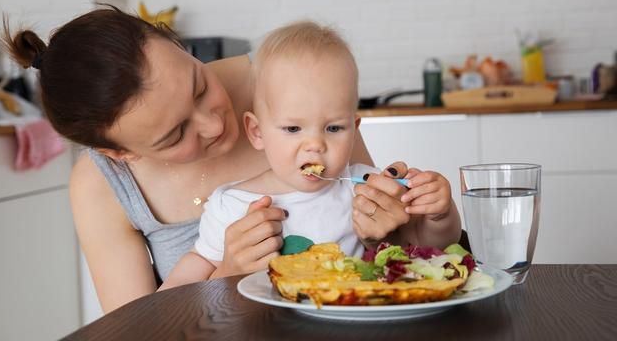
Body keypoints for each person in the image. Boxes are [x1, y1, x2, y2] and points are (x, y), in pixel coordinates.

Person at [0, 6, 459, 313]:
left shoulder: (281, 79)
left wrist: (397, 213)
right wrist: (226, 275)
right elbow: (137, 330)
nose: (214, 124)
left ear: (181, 47)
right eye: (176, 133)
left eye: (199, 85)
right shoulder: (100, 185)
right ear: (118, 153)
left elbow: (394, 235)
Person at [161, 21, 462, 288]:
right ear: (257, 132)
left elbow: (428, 244)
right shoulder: (231, 205)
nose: (315, 145)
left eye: (333, 128)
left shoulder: (362, 188)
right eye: (293, 129)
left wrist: (439, 213)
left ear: (354, 128)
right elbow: (184, 287)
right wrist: (224, 271)